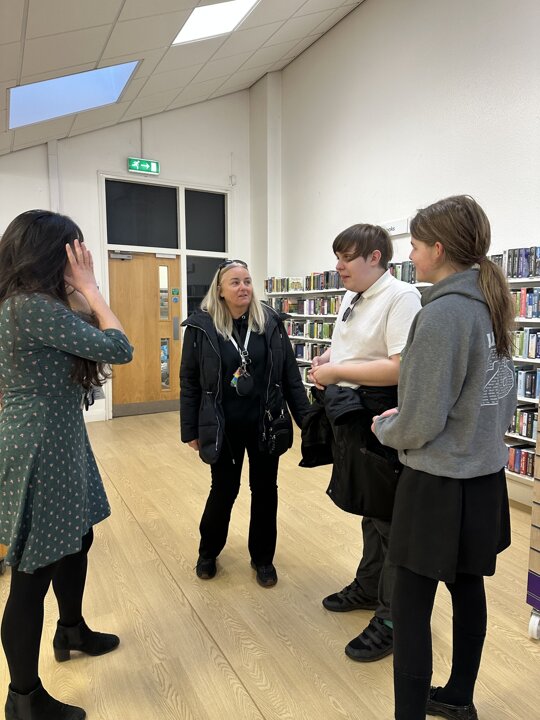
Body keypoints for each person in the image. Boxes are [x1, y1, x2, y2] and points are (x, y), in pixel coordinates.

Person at [372, 195, 515, 720]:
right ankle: (458, 698)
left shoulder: (442, 314)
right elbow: (496, 396)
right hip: (484, 477)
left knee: (410, 607)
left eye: (413, 245)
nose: (409, 255)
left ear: (437, 248)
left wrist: (387, 428)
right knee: (467, 586)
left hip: (436, 484)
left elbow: (421, 420)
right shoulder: (493, 305)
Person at [0, 210, 133, 720]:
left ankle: (71, 630)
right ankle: (23, 699)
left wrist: (77, 292)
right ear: (53, 253)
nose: (81, 260)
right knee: (32, 573)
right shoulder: (29, 307)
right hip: (41, 443)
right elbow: (118, 347)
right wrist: (91, 287)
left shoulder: (29, 305)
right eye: (74, 252)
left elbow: (83, 332)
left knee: (78, 537)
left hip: (56, 436)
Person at [308, 224, 421, 662]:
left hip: (380, 417)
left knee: (390, 521)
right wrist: (329, 358)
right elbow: (356, 348)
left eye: (347, 257)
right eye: (337, 257)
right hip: (351, 415)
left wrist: (337, 371)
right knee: (369, 510)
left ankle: (392, 619)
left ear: (375, 257)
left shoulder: (402, 297)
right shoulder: (352, 295)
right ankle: (370, 586)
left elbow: (399, 367)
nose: (338, 266)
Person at [180, 259, 310, 588]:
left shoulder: (270, 323)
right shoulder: (201, 327)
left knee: (265, 490)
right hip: (222, 425)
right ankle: (208, 552)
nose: (243, 288)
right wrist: (190, 430)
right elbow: (190, 381)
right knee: (224, 490)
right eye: (235, 282)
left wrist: (307, 421)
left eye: (248, 281)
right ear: (220, 290)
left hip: (266, 423)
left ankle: (263, 558)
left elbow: (290, 376)